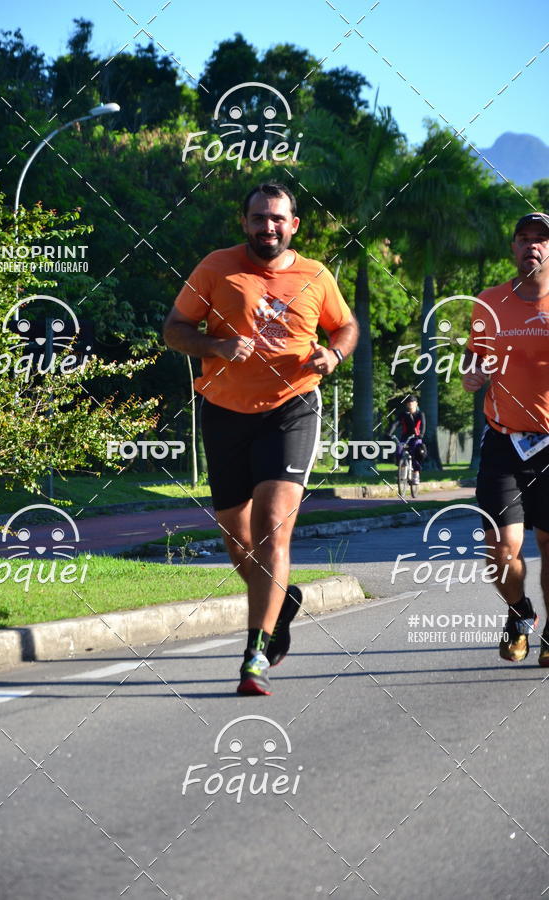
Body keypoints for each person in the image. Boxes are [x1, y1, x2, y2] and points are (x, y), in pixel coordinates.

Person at [163, 182, 358, 694]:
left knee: (273, 527)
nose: (267, 227)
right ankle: (281, 601)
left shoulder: (315, 275)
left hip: (292, 408)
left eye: (276, 218)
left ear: (293, 224)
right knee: (237, 539)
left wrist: (334, 354)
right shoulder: (216, 268)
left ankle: (255, 655)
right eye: (258, 218)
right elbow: (174, 329)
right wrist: (216, 345)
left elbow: (345, 327)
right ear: (244, 222)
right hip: (224, 412)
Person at [463, 211, 549, 666]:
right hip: (504, 440)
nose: (533, 245)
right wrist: (472, 375)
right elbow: (472, 358)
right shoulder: (489, 302)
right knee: (499, 549)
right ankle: (519, 612)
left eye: (542, 239)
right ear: (513, 248)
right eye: (524, 238)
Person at [388, 395, 426, 484]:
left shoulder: (420, 414)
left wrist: (421, 434)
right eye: (408, 403)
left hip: (416, 437)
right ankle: (402, 471)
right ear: (406, 405)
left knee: (416, 453)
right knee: (399, 451)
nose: (410, 404)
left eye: (412, 402)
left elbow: (423, 425)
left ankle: (416, 474)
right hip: (405, 437)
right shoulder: (403, 414)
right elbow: (395, 424)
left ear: (416, 404)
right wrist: (389, 433)